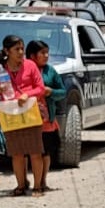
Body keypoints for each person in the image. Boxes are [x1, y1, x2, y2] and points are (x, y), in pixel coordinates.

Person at [0, 35, 47, 196]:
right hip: (10, 113)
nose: (21, 52)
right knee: (17, 152)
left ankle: (37, 186)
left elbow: (40, 88)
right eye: (17, 49)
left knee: (35, 151)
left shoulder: (30, 65)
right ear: (7, 51)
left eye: (22, 48)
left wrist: (27, 94)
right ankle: (20, 185)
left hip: (30, 111)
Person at [27, 40, 67, 191]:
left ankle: (42, 181)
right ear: (32, 55)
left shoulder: (51, 71)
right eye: (42, 53)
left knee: (45, 152)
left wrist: (52, 92)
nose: (46, 56)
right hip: (27, 118)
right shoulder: (24, 70)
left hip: (46, 120)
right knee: (28, 153)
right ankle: (25, 183)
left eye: (47, 53)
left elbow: (62, 92)